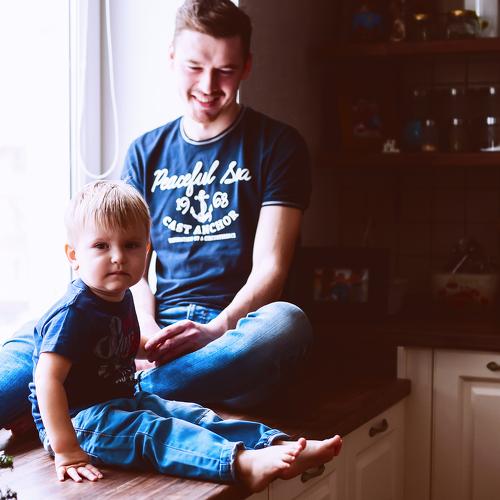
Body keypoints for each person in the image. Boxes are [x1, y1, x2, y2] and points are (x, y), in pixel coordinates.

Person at [0, 0, 312, 430]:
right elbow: (136, 268)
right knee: (44, 328)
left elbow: (270, 269)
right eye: (194, 67)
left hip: (229, 336)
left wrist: (216, 330)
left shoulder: (278, 145)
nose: (208, 85)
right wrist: (143, 327)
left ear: (246, 67)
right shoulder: (145, 151)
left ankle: (117, 391)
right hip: (145, 327)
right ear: (171, 59)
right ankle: (116, 389)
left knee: (286, 324)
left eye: (225, 70)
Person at [30, 180, 341, 489]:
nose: (118, 257)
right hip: (81, 421)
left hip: (123, 398)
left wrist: (151, 347)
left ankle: (274, 444)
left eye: (131, 245)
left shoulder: (120, 296)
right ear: (73, 255)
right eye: (101, 246)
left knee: (191, 415)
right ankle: (240, 463)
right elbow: (47, 380)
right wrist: (66, 450)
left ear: (147, 249)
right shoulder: (73, 312)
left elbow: (114, 343)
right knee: (154, 432)